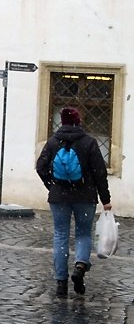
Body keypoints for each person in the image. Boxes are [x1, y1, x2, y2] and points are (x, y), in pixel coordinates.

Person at [36, 107, 112, 297]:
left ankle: (61, 283)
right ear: (78, 121)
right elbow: (100, 172)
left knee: (60, 235)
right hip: (85, 196)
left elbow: (41, 167)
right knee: (83, 234)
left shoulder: (53, 142)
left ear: (62, 122)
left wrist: (52, 185)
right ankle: (80, 267)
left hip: (59, 197)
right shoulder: (89, 142)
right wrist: (106, 199)